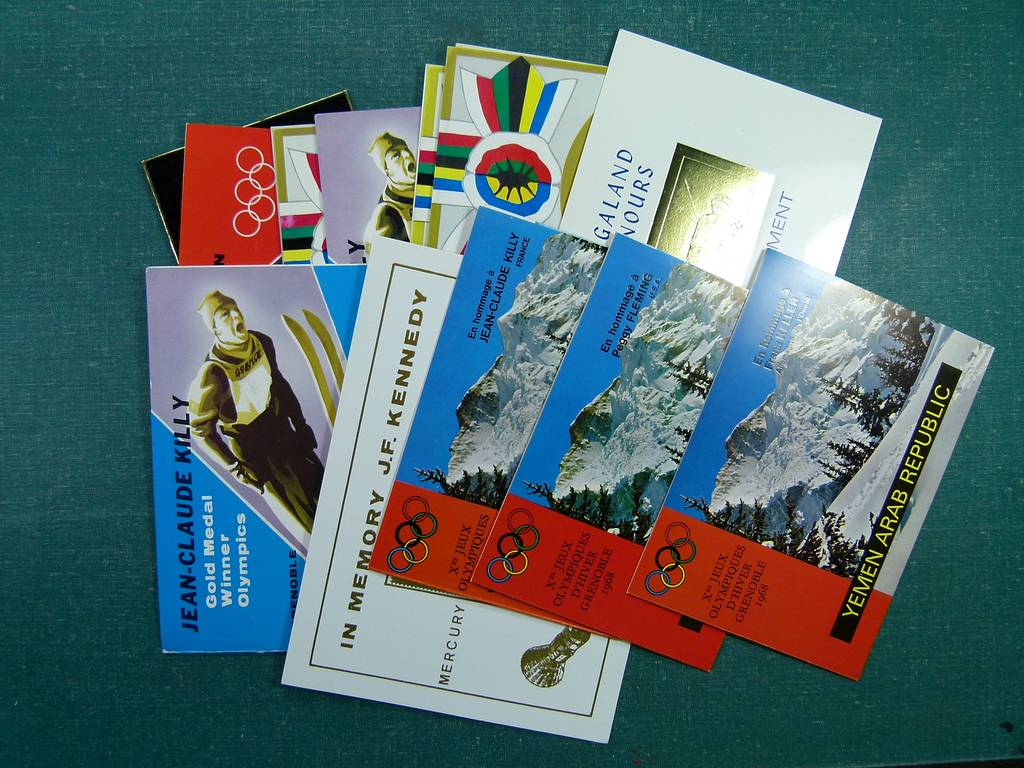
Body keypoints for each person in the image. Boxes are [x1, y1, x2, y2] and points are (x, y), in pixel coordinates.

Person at [188, 290, 323, 532]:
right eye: (225, 314)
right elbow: (200, 431)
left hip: (283, 432)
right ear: (215, 329)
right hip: (255, 451)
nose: (235, 316)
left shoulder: (261, 342)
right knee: (305, 520)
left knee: (325, 493)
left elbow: (279, 384)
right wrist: (235, 468)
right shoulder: (212, 374)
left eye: (235, 309)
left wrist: (301, 425)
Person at [363, 131, 416, 249]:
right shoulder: (387, 215)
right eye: (396, 155)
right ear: (387, 171)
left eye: (406, 149)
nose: (406, 155)